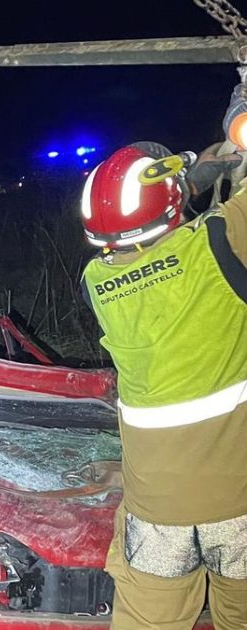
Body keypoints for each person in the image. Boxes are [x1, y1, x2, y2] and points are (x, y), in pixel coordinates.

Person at [80, 141, 247, 629]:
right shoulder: (220, 240)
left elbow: (139, 232)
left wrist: (194, 177)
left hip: (157, 511)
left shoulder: (96, 281)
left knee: (150, 620)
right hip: (237, 502)